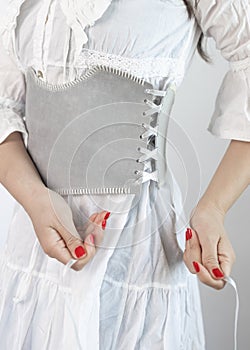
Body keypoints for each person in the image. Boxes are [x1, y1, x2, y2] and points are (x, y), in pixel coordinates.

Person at [0, 0, 249, 349]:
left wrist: (215, 209)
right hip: (35, 244)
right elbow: (5, 106)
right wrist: (34, 198)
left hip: (135, 253)